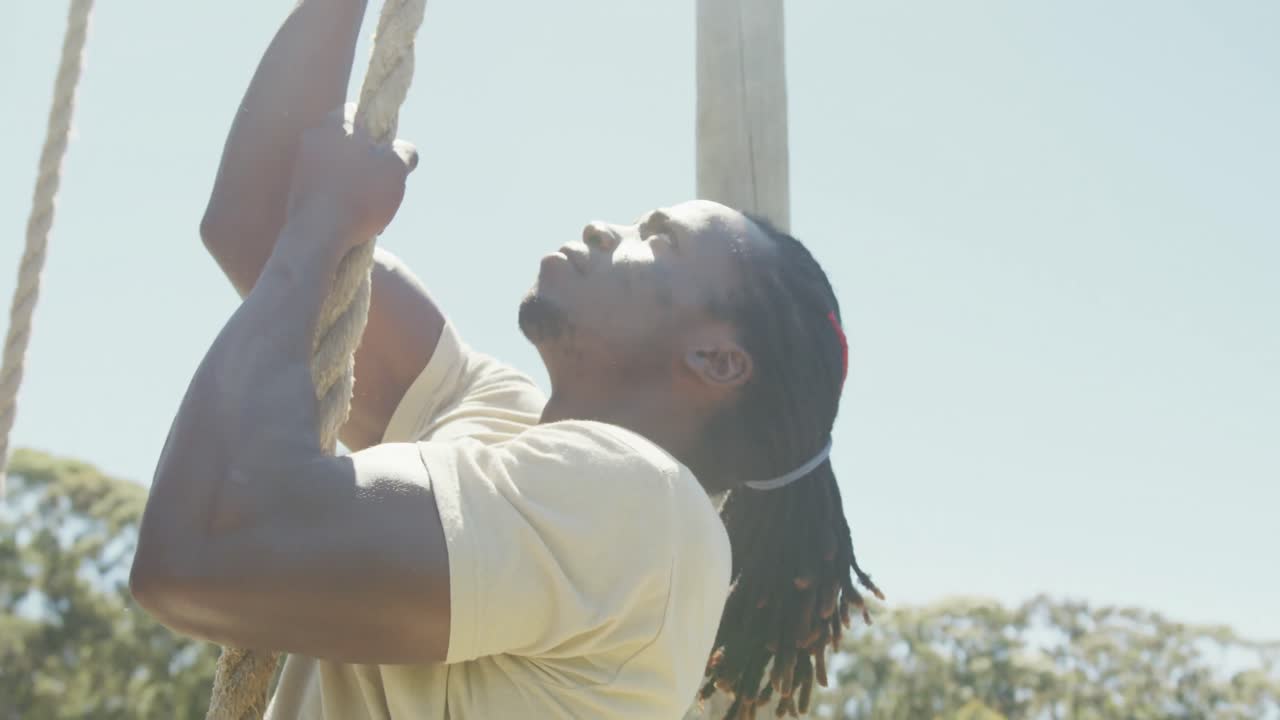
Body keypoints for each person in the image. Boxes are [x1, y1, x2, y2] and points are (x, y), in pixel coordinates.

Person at [129, 1, 880, 718]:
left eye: (658, 240)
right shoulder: (497, 414)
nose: (602, 227)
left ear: (717, 359)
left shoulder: (644, 505)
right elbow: (260, 219)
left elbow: (207, 545)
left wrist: (326, 219)